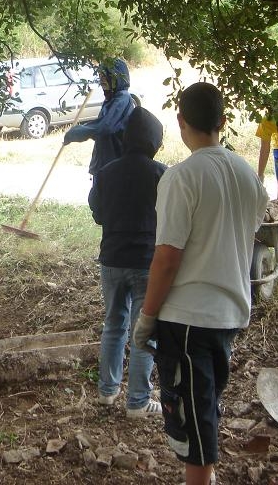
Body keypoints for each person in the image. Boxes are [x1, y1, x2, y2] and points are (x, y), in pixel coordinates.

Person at [133, 82, 268, 485]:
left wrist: (147, 317)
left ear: (181, 123)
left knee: (192, 419)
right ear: (223, 122)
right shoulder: (248, 176)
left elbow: (167, 258)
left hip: (189, 319)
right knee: (203, 408)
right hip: (228, 314)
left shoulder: (182, 177)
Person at [87, 107, 167, 418]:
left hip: (112, 260)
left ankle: (107, 392)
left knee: (113, 325)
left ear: (126, 138)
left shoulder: (106, 172)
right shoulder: (163, 174)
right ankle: (137, 402)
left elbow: (97, 213)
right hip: (147, 263)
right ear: (154, 142)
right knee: (143, 332)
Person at [63, 57, 136, 179]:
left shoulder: (122, 99)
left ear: (116, 78)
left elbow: (104, 127)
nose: (102, 80)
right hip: (104, 165)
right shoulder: (111, 99)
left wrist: (76, 132)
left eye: (105, 76)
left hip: (112, 167)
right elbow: (101, 129)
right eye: (100, 76)